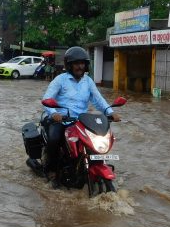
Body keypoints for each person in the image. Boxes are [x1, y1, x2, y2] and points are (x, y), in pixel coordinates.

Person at [41, 46, 121, 185]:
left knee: (95, 141)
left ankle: (91, 165)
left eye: (82, 63)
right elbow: (46, 99)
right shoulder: (60, 80)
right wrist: (54, 114)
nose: (80, 66)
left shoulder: (88, 81)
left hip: (80, 122)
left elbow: (98, 100)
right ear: (69, 65)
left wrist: (110, 112)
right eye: (76, 63)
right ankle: (51, 170)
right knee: (54, 139)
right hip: (61, 120)